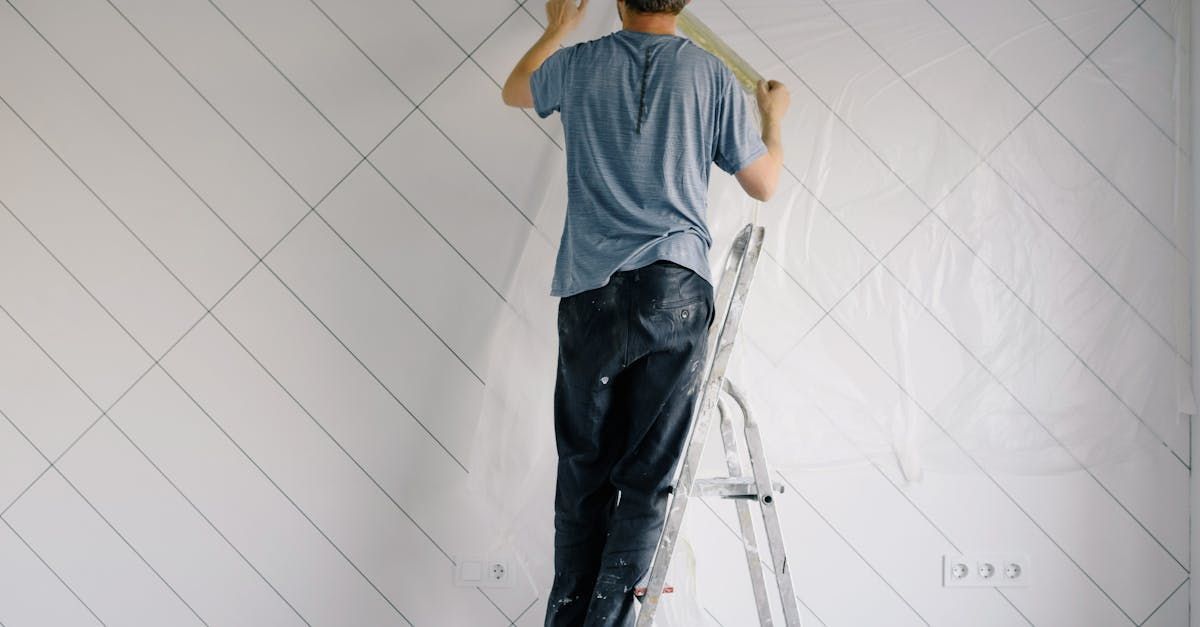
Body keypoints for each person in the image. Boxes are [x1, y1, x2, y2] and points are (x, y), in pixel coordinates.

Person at [501, 0, 789, 624]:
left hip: (591, 294)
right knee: (647, 477)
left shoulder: (578, 64)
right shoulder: (709, 75)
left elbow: (516, 90)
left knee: (584, 476)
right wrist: (772, 119)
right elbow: (764, 183)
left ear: (618, 2)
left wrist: (556, 29)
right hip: (674, 293)